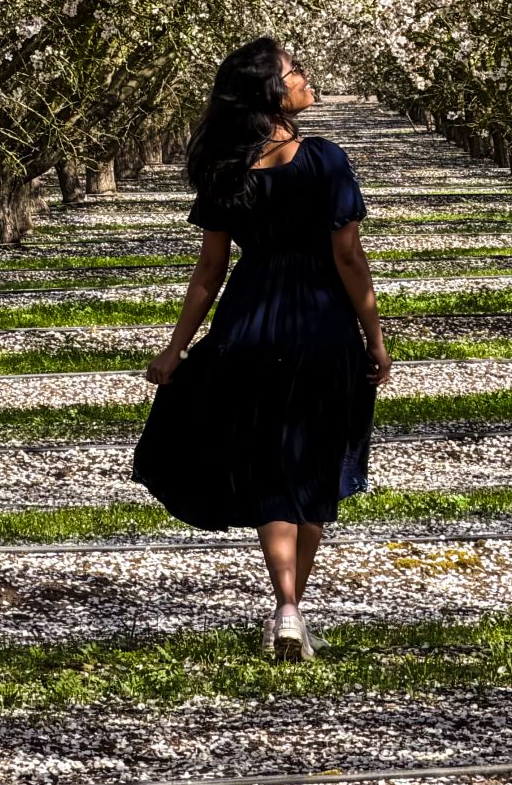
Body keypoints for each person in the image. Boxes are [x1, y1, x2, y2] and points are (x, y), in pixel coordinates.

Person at [134, 36, 392, 661]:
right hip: (321, 322)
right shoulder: (325, 160)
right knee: (314, 461)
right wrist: (375, 338)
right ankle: (293, 607)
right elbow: (349, 258)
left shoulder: (227, 169)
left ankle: (286, 606)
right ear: (271, 92)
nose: (305, 76)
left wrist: (175, 350)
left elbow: (209, 271)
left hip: (248, 322)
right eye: (293, 70)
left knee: (271, 467)